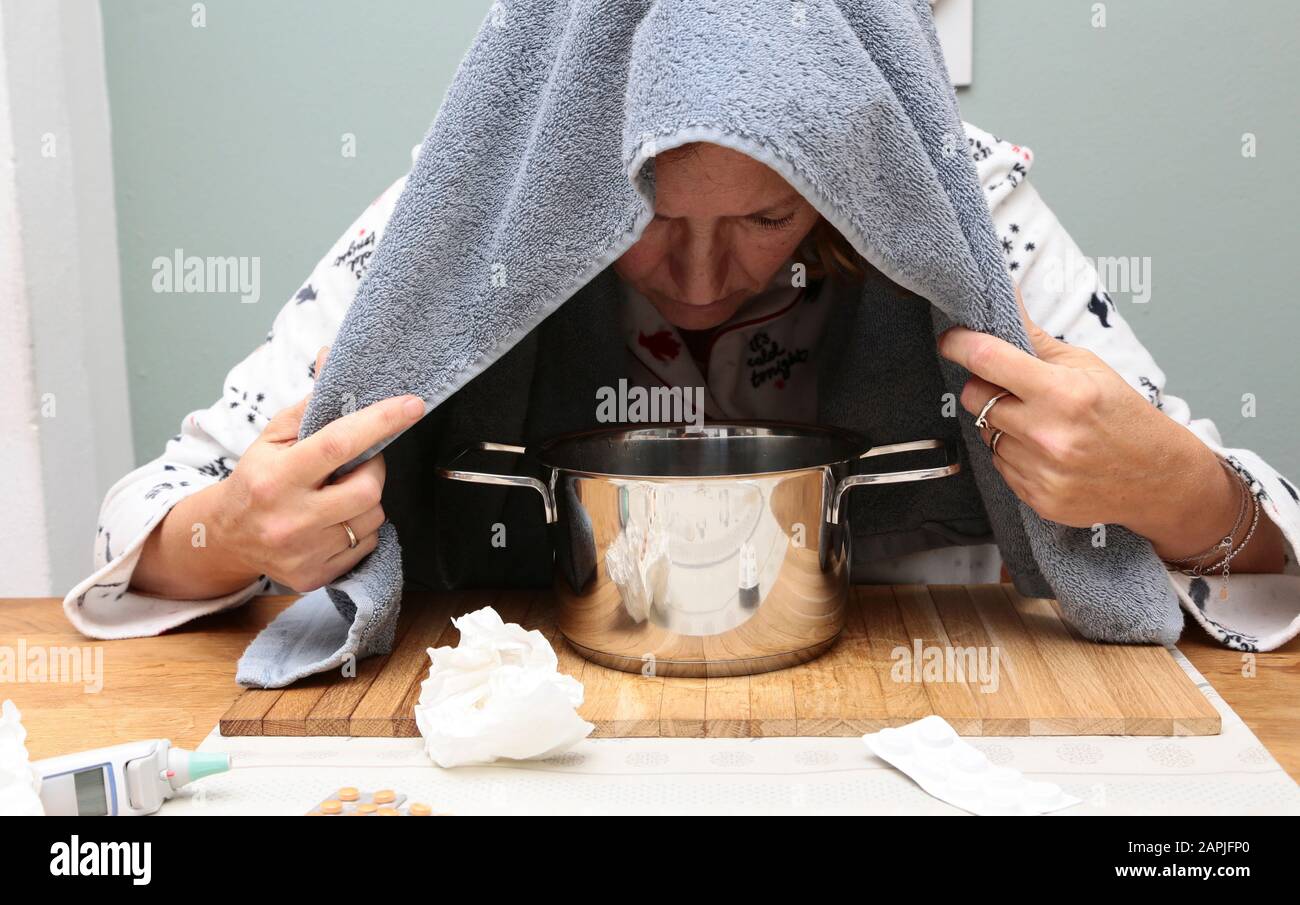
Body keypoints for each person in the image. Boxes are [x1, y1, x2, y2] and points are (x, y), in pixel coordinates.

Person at [64, 122, 1300, 652]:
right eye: (645, 221)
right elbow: (144, 523)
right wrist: (238, 529)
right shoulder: (454, 218)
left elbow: (1270, 547)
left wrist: (1183, 493)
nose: (701, 276)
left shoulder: (966, 214)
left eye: (768, 217)